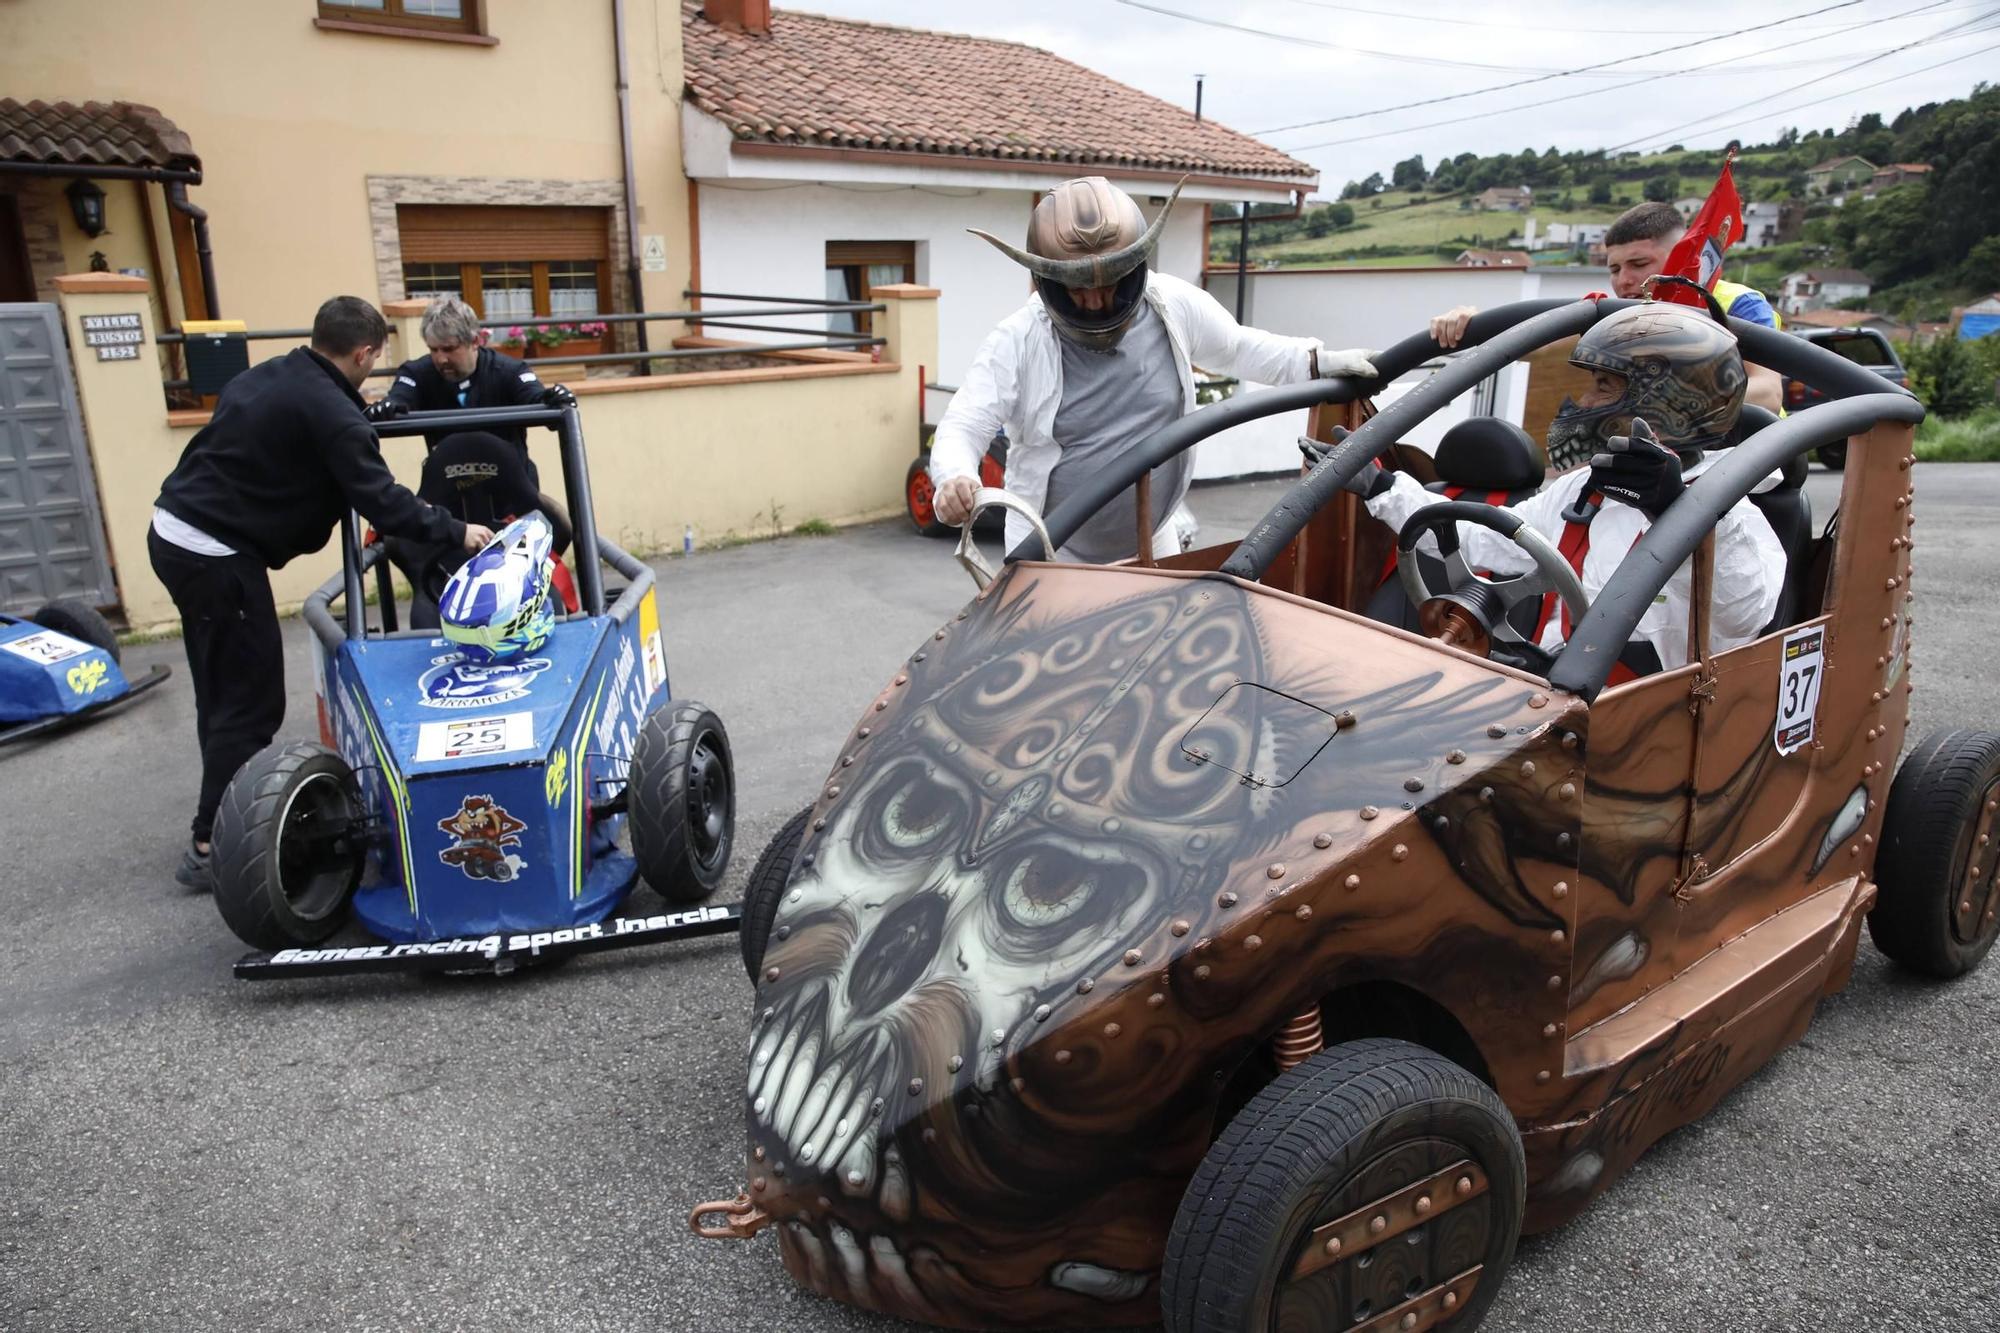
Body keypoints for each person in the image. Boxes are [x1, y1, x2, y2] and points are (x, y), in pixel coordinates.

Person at [149, 296, 494, 888]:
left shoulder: (272, 375)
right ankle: (213, 847)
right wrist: (458, 530)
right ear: (364, 353)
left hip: (172, 532)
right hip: (216, 555)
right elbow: (383, 501)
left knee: (219, 687)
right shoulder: (333, 415)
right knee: (249, 702)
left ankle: (220, 822)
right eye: (375, 357)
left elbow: (287, 427)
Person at [929, 177, 1377, 563]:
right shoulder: (1017, 341)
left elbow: (1239, 348)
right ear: (1049, 282)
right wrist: (955, 478)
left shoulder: (1174, 305)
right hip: (1050, 552)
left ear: (1136, 265)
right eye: (1078, 287)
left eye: (1113, 281)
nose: (1097, 300)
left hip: (1155, 537)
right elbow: (964, 425)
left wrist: (1317, 361)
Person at [1345, 302, 1785, 674]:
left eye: (1603, 386)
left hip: (1652, 725)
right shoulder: (1585, 487)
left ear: (1663, 403)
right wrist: (1381, 488)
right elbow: (1489, 539)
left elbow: (1738, 621)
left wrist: (1679, 513)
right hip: (1559, 693)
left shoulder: (1733, 513)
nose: (1586, 402)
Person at [1428, 201, 1783, 458]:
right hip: (1652, 455)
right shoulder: (1614, 313)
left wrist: (1656, 405)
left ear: (1682, 256)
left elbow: (1768, 394)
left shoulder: (1737, 304)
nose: (1624, 280)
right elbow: (1531, 343)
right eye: (1614, 269)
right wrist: (1470, 322)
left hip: (1743, 458)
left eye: (1638, 264)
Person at [366, 296, 577, 482]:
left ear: (475, 341)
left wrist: (554, 399)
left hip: (512, 487)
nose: (440, 358)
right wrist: (388, 408)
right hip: (447, 486)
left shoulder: (510, 371)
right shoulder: (416, 373)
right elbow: (400, 398)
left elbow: (536, 398)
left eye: (449, 349)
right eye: (433, 349)